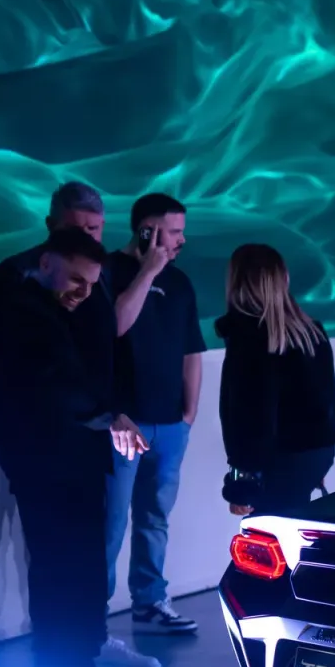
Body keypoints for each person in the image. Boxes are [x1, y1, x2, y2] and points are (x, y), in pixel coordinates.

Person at [0, 228, 149, 667]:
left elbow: (77, 373)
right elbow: (54, 379)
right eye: (77, 279)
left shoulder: (49, 301)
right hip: (50, 459)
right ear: (47, 260)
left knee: (72, 576)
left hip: (69, 457)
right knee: (66, 578)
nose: (84, 291)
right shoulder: (22, 304)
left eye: (92, 283)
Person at [104, 192, 204, 638]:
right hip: (121, 425)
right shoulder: (108, 271)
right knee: (110, 523)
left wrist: (189, 414)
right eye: (174, 231)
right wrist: (148, 271)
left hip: (170, 425)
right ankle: (93, 619)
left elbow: (192, 351)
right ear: (147, 230)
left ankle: (149, 604)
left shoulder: (180, 283)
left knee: (154, 519)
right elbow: (114, 327)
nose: (182, 240)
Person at [216, 244, 335, 514]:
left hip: (276, 463)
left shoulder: (248, 338)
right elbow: (326, 399)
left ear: (236, 283)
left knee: (265, 537)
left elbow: (247, 416)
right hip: (316, 454)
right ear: (283, 278)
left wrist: (241, 481)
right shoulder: (310, 331)